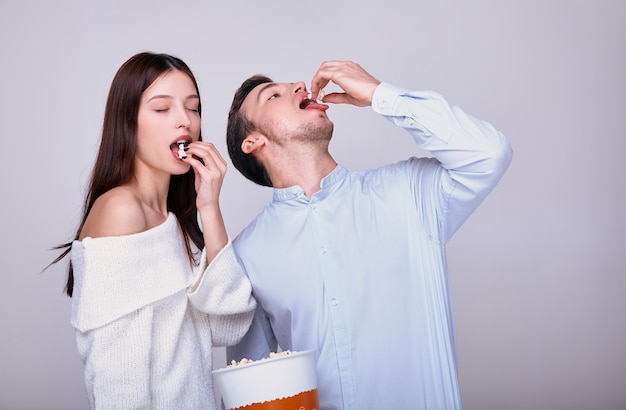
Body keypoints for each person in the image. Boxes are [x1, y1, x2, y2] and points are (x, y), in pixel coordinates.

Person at [225, 60, 513, 409]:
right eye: (274, 95)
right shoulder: (245, 255)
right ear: (253, 141)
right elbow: (255, 387)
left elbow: (489, 154)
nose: (298, 85)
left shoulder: (409, 192)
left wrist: (380, 94)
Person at [49, 52, 256, 409]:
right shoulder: (121, 210)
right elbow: (117, 380)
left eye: (193, 108)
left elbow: (228, 326)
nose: (184, 122)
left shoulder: (175, 221)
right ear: (128, 122)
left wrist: (210, 208)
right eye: (162, 109)